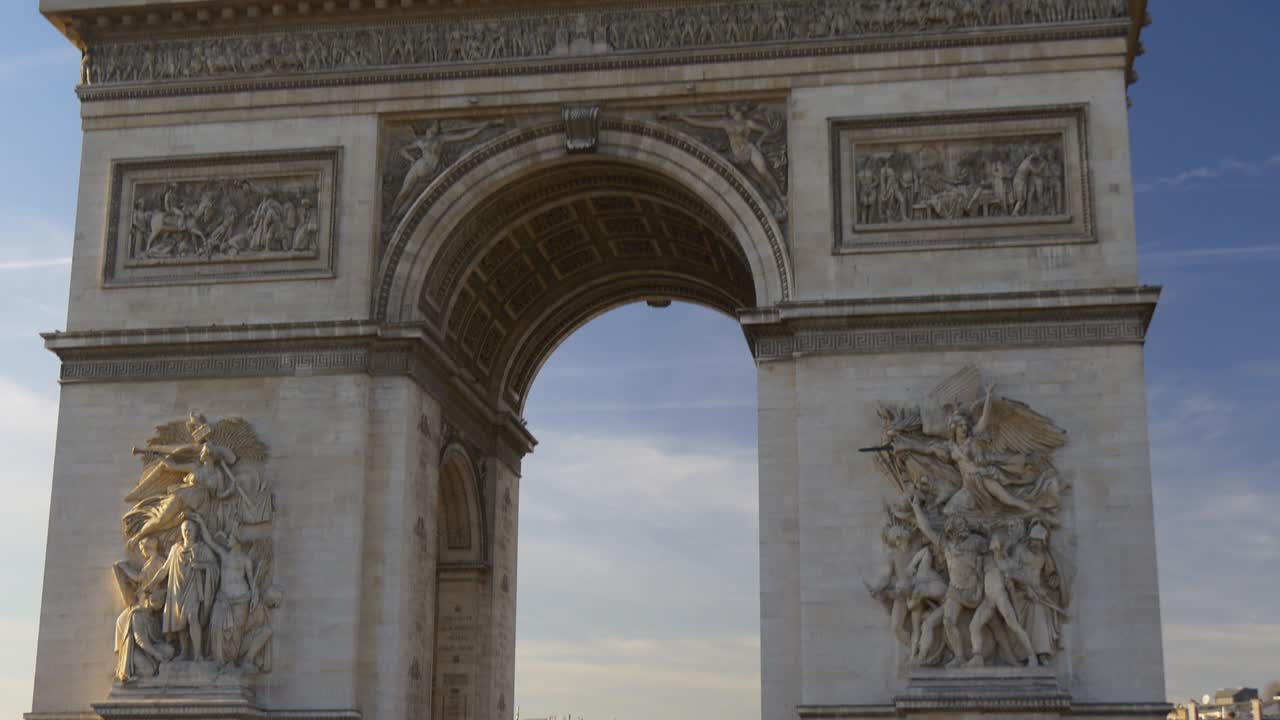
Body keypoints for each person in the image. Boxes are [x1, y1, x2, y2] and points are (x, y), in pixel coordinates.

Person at [192, 514, 257, 666]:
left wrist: (255, 595)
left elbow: (252, 581)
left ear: (237, 540)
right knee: (215, 625)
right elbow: (210, 541)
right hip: (223, 599)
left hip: (241, 599)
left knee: (236, 633)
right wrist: (201, 522)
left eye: (230, 537)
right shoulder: (224, 555)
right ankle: (219, 662)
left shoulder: (245, 560)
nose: (228, 539)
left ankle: (231, 662)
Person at [160, 517, 220, 662]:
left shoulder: (202, 549)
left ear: (196, 532)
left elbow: (215, 567)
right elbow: (165, 569)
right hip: (178, 588)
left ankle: (198, 654)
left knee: (192, 616)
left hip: (194, 587)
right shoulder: (176, 549)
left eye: (190, 529)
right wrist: (149, 583)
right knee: (180, 621)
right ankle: (185, 652)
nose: (187, 532)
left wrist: (201, 565)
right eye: (184, 530)